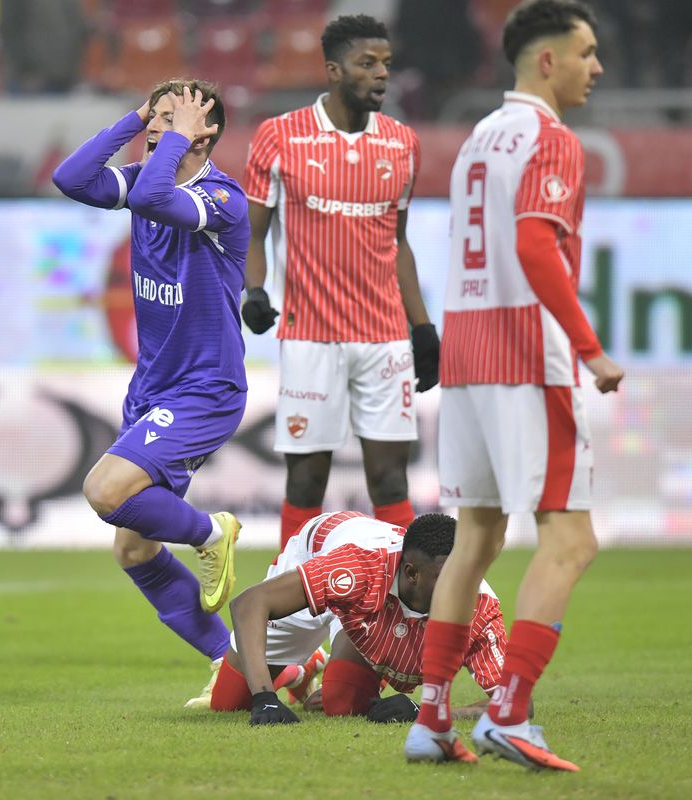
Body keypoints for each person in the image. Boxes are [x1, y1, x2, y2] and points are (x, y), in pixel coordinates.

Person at [403, 0, 623, 772]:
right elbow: (536, 245)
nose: (598, 67)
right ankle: (510, 710)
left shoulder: (476, 142)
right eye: (587, 52)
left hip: (466, 355)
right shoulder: (551, 139)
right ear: (546, 61)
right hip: (528, 355)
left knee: (478, 537)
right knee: (572, 537)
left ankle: (431, 719)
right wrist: (589, 350)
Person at [52, 80, 248, 676]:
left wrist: (173, 137)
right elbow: (71, 179)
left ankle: (210, 535)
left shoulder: (222, 201)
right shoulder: (146, 175)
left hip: (205, 389)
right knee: (134, 548)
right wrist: (133, 118)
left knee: (105, 492)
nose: (155, 127)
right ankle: (240, 663)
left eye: (171, 117)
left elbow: (157, 198)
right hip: (152, 388)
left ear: (205, 131)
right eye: (154, 116)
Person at [242, 14, 442, 550]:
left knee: (390, 481)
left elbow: (397, 241)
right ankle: (292, 619)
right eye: (367, 63)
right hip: (310, 337)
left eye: (386, 64)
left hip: (384, 339)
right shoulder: (279, 138)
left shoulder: (401, 144)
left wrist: (422, 327)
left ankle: (400, 614)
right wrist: (254, 291)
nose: (381, 75)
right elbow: (253, 234)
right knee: (307, 480)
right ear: (334, 70)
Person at [200, 511, 505, 734]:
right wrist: (265, 698)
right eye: (447, 577)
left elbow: (514, 704)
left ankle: (322, 668)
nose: (460, 585)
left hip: (363, 611)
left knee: (343, 704)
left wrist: (428, 711)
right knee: (228, 704)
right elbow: (250, 604)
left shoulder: (481, 607)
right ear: (412, 574)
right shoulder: (360, 567)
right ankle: (299, 670)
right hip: (320, 557)